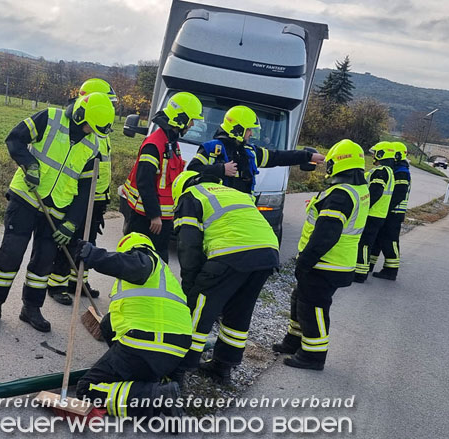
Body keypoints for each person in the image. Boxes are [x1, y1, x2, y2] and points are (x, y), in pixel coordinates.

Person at [0, 93, 115, 331]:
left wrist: (71, 223)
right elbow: (15, 139)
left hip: (58, 208)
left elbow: (86, 190)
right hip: (26, 198)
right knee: (10, 254)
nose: (90, 132)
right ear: (79, 116)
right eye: (89, 126)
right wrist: (30, 164)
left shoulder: (93, 145)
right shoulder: (49, 118)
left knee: (43, 263)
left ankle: (31, 309)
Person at [171, 170, 280, 384]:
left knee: (199, 308)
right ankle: (223, 367)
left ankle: (178, 369)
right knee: (239, 312)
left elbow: (189, 244)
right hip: (267, 253)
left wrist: (191, 285)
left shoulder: (191, 196)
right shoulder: (233, 192)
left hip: (232, 252)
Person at [272, 139, 369, 371]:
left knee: (312, 307)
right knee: (300, 300)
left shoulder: (340, 195)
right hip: (333, 262)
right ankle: (294, 341)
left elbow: (326, 234)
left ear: (338, 164)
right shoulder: (357, 190)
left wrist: (305, 261)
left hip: (326, 263)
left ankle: (313, 356)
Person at [74, 233, 191, 418]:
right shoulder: (165, 277)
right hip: (176, 350)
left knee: (87, 388)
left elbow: (138, 266)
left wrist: (94, 255)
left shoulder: (146, 258)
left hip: (146, 343)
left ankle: (157, 398)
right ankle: (158, 386)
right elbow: (111, 323)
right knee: (107, 322)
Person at [47, 79, 117, 306]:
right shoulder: (87, 129)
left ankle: (78, 281)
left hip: (98, 196)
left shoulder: (102, 127)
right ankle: (57, 284)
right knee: (72, 240)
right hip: (81, 196)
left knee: (89, 240)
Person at [122, 92, 204, 262]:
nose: (192, 124)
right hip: (147, 219)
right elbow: (145, 182)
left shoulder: (172, 143)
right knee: (138, 262)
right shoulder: (154, 144)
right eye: (191, 120)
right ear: (180, 118)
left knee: (158, 264)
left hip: (163, 219)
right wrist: (154, 215)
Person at [187, 105, 323, 195]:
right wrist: (221, 169)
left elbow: (278, 157)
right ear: (237, 129)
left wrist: (308, 156)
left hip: (241, 213)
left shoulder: (249, 152)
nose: (251, 134)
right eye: (248, 130)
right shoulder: (211, 148)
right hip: (215, 214)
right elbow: (192, 170)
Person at [354, 141, 395, 283]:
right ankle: (362, 270)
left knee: (364, 243)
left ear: (381, 154)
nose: (373, 156)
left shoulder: (381, 171)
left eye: (374, 153)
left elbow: (375, 192)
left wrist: (364, 206)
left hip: (372, 214)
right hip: (379, 215)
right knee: (367, 243)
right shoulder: (389, 171)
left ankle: (359, 273)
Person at [371, 141, 411, 280]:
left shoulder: (402, 172)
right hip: (389, 212)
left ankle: (390, 270)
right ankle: (368, 264)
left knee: (390, 240)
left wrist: (386, 208)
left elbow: (399, 194)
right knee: (378, 238)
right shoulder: (396, 169)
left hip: (394, 213)